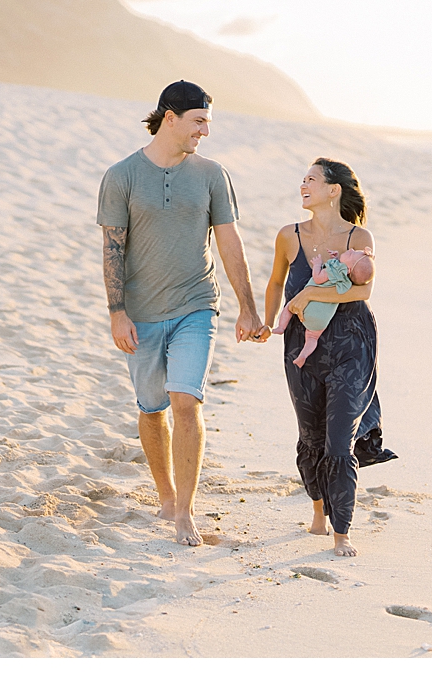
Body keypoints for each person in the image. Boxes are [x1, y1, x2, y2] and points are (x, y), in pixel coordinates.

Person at [97, 80, 263, 546]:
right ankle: (166, 496)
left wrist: (247, 309)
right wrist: (117, 312)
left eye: (208, 122)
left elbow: (229, 243)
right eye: (199, 121)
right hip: (142, 313)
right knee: (152, 409)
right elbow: (113, 248)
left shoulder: (212, 175)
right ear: (169, 117)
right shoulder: (121, 176)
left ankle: (185, 512)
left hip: (196, 304)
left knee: (185, 403)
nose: (205, 132)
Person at [262, 158, 395, 557]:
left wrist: (307, 295)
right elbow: (273, 284)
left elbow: (362, 292)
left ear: (333, 190)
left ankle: (342, 531)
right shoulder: (288, 236)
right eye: (302, 179)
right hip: (303, 348)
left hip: (352, 343)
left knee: (340, 442)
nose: (303, 185)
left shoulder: (359, 236)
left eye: (312, 180)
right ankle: (318, 507)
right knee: (311, 438)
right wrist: (264, 323)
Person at [274, 247, 374, 368]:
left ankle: (281, 327)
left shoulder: (333, 271)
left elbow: (318, 278)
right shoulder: (345, 278)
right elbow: (341, 268)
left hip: (309, 308)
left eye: (352, 253)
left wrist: (317, 265)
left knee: (290, 306)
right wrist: (336, 258)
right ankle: (304, 355)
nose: (351, 249)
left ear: (348, 269)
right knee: (312, 338)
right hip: (322, 320)